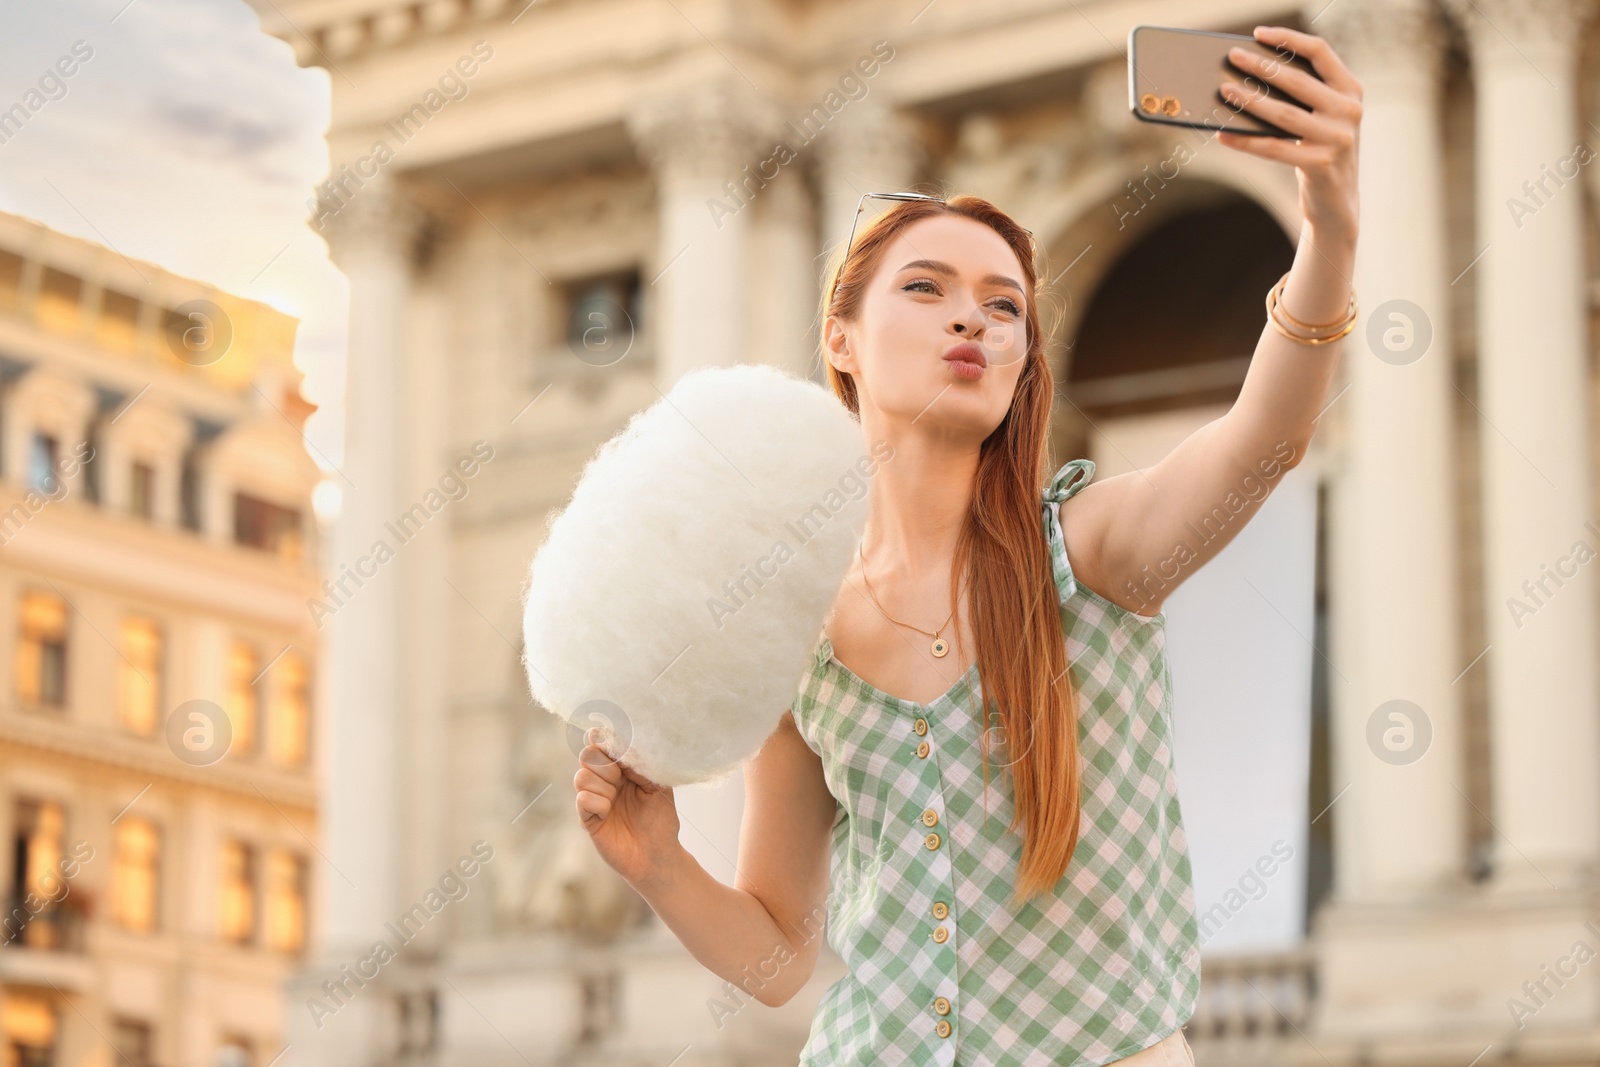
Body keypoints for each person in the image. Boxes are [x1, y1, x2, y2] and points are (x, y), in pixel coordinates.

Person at [573, 23, 1362, 1067]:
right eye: (926, 287)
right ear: (840, 340)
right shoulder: (797, 635)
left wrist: (1330, 229)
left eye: (1005, 307)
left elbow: (1265, 441)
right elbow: (777, 957)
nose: (973, 320)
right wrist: (657, 859)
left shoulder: (1090, 554)